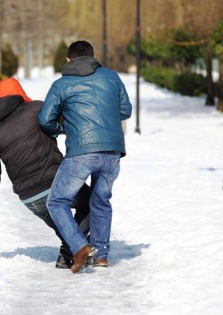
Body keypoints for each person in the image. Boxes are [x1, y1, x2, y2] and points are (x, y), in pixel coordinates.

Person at [38, 40, 132, 273]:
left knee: (57, 201)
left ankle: (79, 247)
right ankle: (100, 256)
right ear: (93, 56)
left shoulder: (61, 84)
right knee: (101, 201)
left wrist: (64, 128)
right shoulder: (111, 77)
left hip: (81, 151)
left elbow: (45, 119)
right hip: (112, 150)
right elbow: (125, 110)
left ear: (68, 59)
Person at [0, 77, 91, 269]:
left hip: (29, 197)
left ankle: (69, 254)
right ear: (20, 94)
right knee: (93, 203)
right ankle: (69, 251)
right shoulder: (36, 109)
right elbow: (68, 123)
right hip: (56, 183)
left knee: (65, 228)